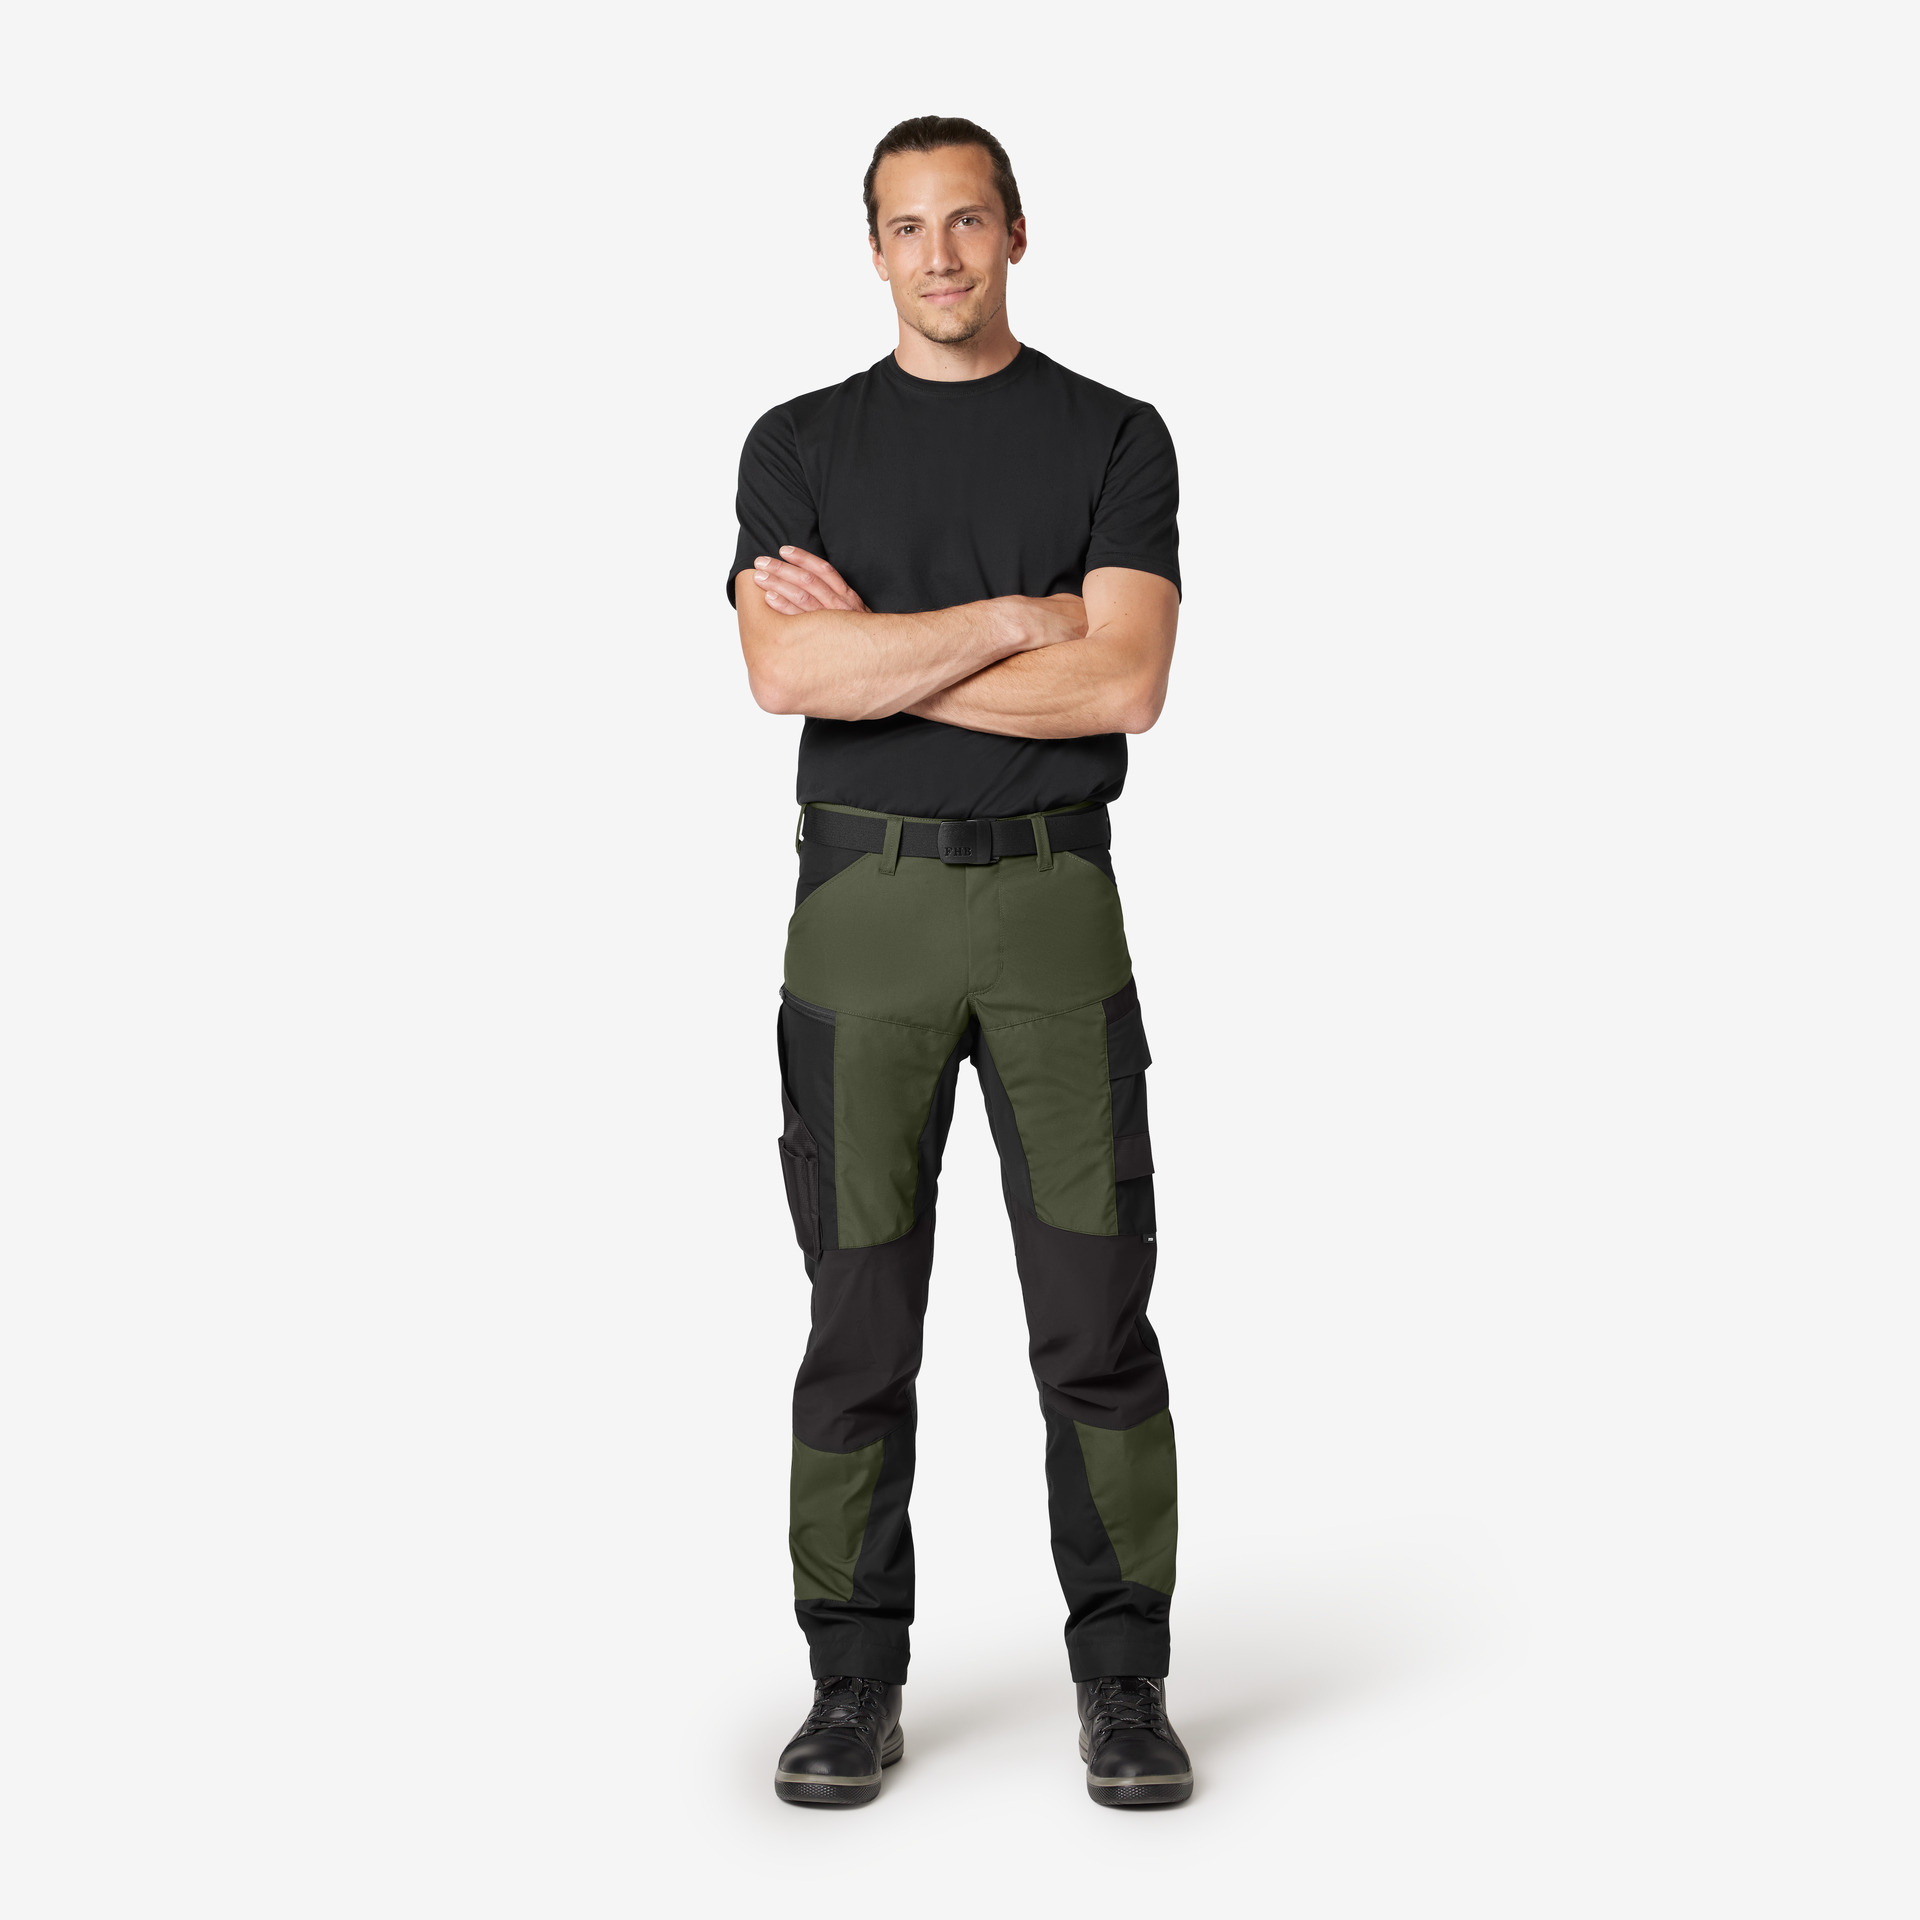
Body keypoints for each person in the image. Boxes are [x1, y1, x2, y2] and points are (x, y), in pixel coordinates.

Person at [729, 115, 1191, 1810]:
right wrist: (1015, 617)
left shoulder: (1113, 435)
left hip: (1058, 909)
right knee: (858, 1324)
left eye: (968, 221)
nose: (939, 254)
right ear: (873, 250)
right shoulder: (798, 446)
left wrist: (883, 652)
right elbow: (788, 679)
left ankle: (1125, 1684)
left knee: (1096, 1320)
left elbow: (1125, 683)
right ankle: (851, 1683)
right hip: (865, 916)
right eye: (908, 226)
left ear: (1015, 234)